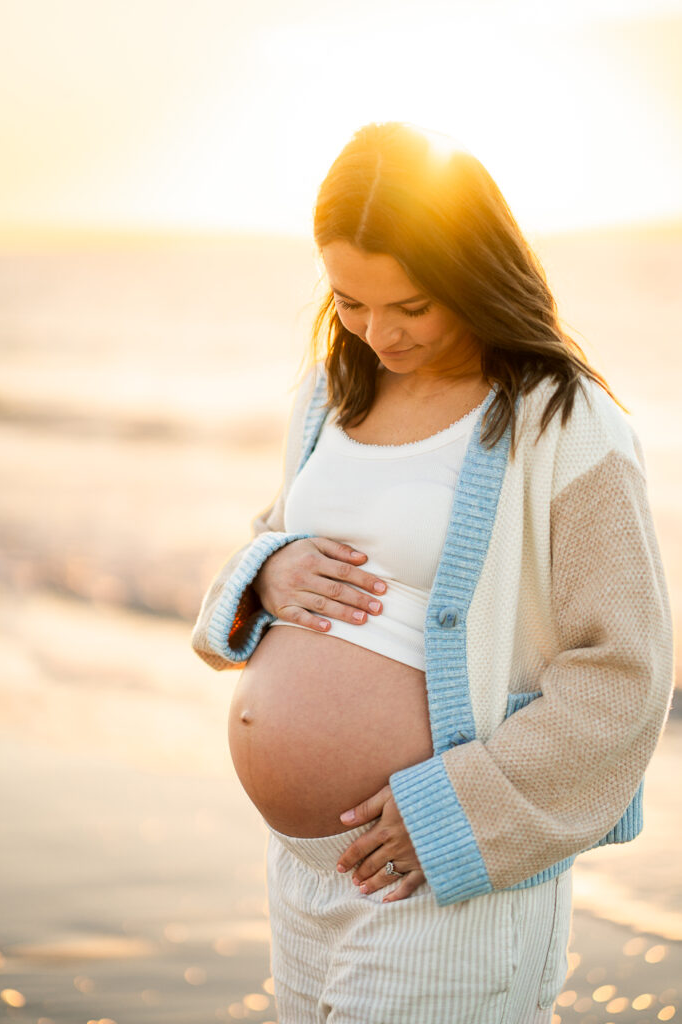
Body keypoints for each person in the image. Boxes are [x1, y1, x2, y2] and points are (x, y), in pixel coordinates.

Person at [191, 121, 674, 1024]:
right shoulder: (333, 395)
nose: (379, 334)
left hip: (445, 879)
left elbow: (626, 675)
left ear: (472, 274)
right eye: (349, 301)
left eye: (410, 306)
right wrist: (265, 569)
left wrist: (457, 811)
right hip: (304, 874)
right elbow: (268, 536)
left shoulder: (564, 425)